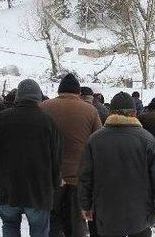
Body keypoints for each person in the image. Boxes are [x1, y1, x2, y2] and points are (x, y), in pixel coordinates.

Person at [78, 92, 155, 237]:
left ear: (110, 113)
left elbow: (85, 177)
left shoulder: (95, 139)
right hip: (140, 214)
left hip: (105, 213)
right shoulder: (146, 139)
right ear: (134, 113)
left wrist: (85, 205)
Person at [0, 79, 62, 237]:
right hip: (38, 189)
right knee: (39, 230)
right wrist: (54, 182)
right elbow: (56, 157)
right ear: (38, 98)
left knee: (9, 225)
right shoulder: (48, 122)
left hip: (6, 187)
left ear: (17, 97)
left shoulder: (1, 118)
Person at [40, 73, 101, 237]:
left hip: (50, 176)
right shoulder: (90, 111)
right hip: (79, 176)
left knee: (51, 220)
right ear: (78, 92)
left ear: (59, 91)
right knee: (76, 223)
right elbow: (98, 144)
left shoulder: (44, 107)